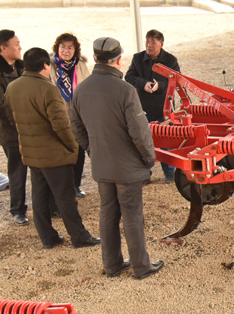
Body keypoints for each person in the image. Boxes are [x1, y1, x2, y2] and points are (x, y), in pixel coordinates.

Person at [70, 37, 163, 280]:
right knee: (132, 216)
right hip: (127, 167)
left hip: (102, 164)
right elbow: (139, 132)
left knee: (108, 214)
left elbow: (76, 127)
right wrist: (149, 158)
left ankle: (112, 265)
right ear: (118, 60)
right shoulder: (125, 90)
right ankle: (141, 266)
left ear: (95, 58)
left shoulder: (81, 89)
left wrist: (93, 150)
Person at [3, 47, 100, 250]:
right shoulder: (48, 89)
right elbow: (61, 125)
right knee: (66, 198)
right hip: (54, 155)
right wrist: (73, 146)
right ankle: (79, 236)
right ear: (45, 65)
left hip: (31, 152)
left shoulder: (12, 87)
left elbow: (10, 118)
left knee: (39, 197)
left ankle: (48, 237)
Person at [0, 29, 29, 225]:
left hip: (32, 129)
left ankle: (50, 207)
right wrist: (23, 119)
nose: (20, 47)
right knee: (17, 171)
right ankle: (17, 210)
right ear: (3, 48)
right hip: (12, 133)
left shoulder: (23, 66)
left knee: (42, 169)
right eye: (16, 44)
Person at [125, 29, 180, 182]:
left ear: (161, 44)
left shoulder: (170, 60)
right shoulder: (137, 58)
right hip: (143, 108)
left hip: (164, 107)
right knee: (143, 141)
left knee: (166, 140)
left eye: (153, 42)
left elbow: (176, 81)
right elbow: (129, 76)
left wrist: (159, 86)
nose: (149, 45)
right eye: (147, 42)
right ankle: (145, 174)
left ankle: (170, 173)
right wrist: (143, 84)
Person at [49, 33, 91, 197]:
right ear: (57, 48)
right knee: (62, 153)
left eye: (69, 48)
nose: (65, 51)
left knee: (79, 152)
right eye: (62, 47)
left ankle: (76, 185)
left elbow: (87, 87)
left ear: (75, 50)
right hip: (59, 116)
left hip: (78, 116)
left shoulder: (80, 65)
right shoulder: (50, 65)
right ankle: (63, 188)